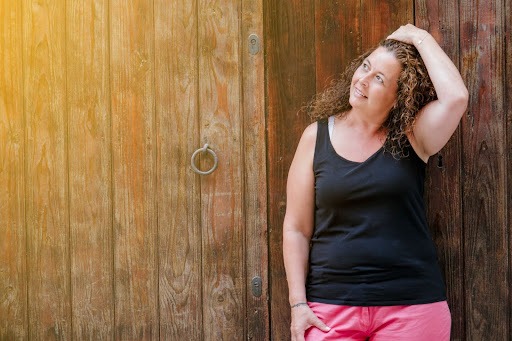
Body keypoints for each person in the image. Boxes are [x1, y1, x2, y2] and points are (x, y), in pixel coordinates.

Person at [282, 24, 468, 341]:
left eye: (379, 79)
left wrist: (417, 37)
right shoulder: (316, 137)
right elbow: (296, 228)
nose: (363, 80)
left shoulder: (414, 136)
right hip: (330, 308)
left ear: (399, 97)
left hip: (411, 307)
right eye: (366, 66)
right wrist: (298, 304)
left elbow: (456, 98)